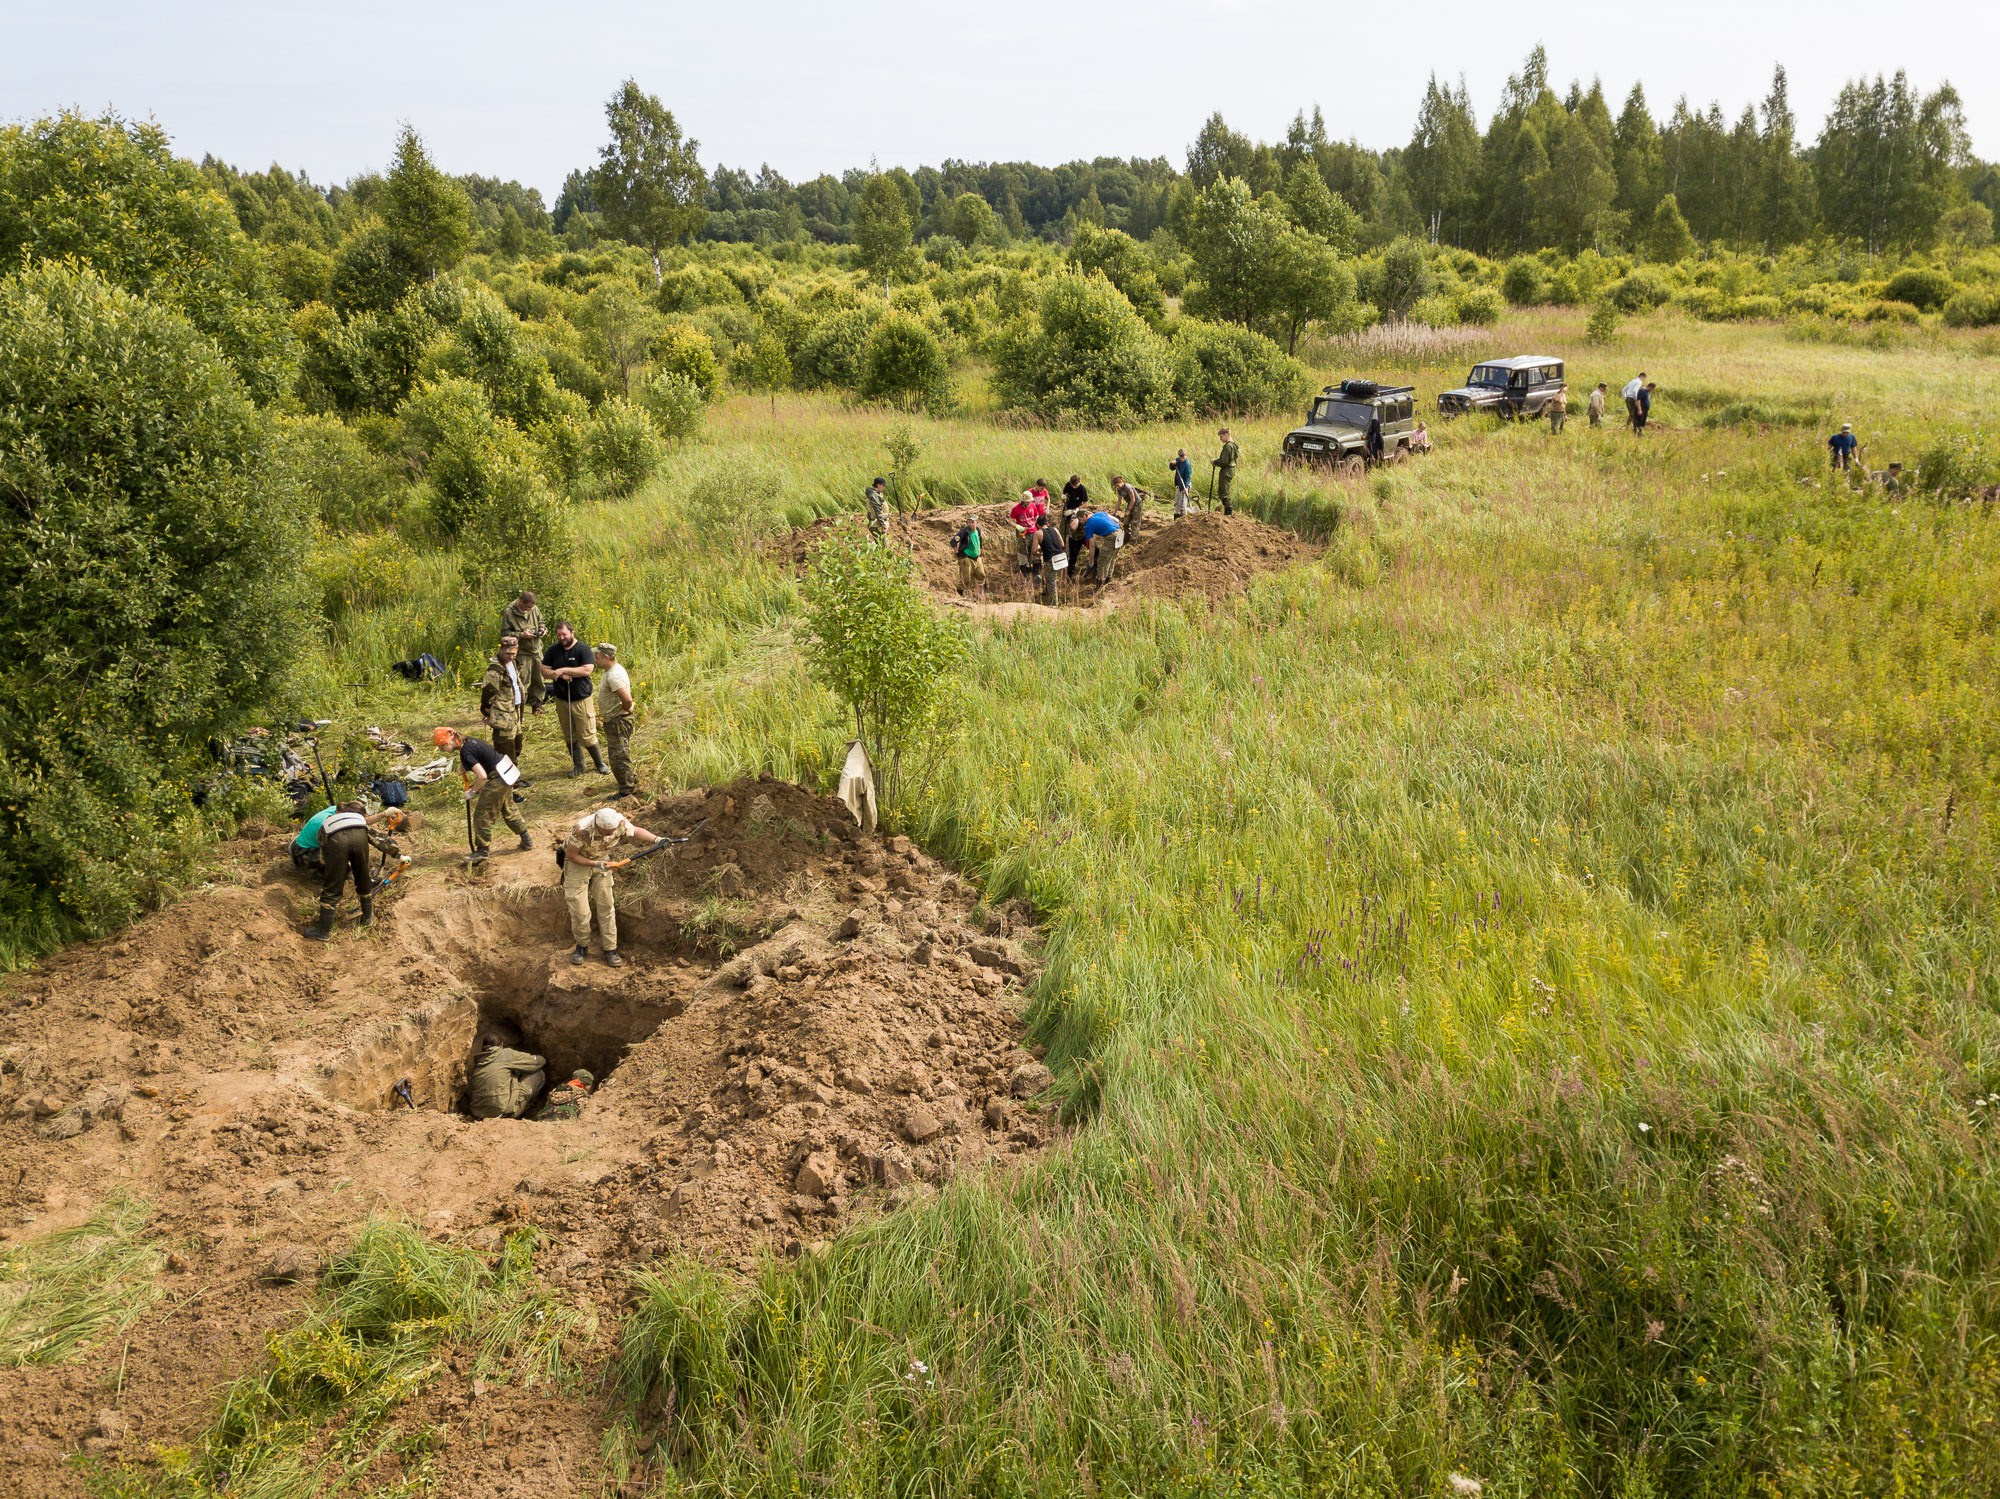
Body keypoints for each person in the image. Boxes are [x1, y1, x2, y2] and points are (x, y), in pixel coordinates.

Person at [561, 804, 662, 966]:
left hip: (602, 860)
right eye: (607, 833)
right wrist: (596, 864)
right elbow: (571, 855)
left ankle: (610, 949)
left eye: (613, 831)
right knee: (580, 910)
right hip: (578, 863)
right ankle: (582, 946)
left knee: (606, 906)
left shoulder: (618, 822)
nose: (612, 834)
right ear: (598, 826)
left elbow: (635, 831)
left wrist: (657, 839)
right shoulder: (581, 830)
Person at [301, 800, 404, 940]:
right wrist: (397, 853)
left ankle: (324, 932)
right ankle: (368, 918)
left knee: (333, 885)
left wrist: (334, 865)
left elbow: (323, 845)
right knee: (363, 877)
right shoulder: (359, 820)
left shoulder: (328, 820)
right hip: (359, 837)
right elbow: (378, 838)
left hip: (335, 841)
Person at [435, 726, 529, 860]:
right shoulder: (469, 741)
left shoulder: (465, 751)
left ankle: (482, 851)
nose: (442, 750)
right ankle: (526, 839)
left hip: (498, 778)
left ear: (449, 741)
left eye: (442, 747)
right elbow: (481, 756)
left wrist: (472, 791)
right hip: (507, 771)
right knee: (508, 808)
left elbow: (482, 776)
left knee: (482, 815)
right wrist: (464, 765)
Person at [541, 621, 604, 778]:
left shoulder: (583, 649)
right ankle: (579, 765)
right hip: (562, 699)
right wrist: (561, 675)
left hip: (581, 699)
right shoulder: (553, 650)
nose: (562, 637)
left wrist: (563, 669)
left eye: (564, 634)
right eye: (559, 635)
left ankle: (599, 763)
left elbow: (587, 669)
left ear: (572, 632)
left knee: (587, 733)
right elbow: (543, 670)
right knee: (569, 734)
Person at [480, 636, 530, 783]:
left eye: (514, 653)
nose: (511, 656)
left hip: (515, 711)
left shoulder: (514, 664)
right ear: (501, 650)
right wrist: (488, 713)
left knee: (516, 745)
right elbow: (488, 695)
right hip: (502, 714)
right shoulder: (495, 670)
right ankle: (508, 781)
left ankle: (515, 776)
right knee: (505, 748)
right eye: (508, 653)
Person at [594, 643, 638, 798]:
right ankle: (629, 779)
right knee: (621, 752)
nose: (596, 660)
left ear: (606, 657)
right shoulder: (614, 670)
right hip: (615, 719)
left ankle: (627, 789)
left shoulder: (613, 675)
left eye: (598, 657)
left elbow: (626, 699)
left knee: (618, 756)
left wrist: (625, 709)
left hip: (617, 720)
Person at [470, 1031, 546, 1120]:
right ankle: (529, 1111)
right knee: (538, 1073)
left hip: (479, 1115)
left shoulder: (478, 1063)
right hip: (503, 1114)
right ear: (501, 1045)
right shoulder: (506, 1054)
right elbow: (538, 1062)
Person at [500, 592, 548, 711]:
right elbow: (504, 634)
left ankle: (537, 704)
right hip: (521, 652)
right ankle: (519, 706)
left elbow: (541, 621)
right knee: (522, 680)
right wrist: (521, 635)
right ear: (520, 602)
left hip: (536, 649)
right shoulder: (509, 613)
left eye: (530, 608)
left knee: (539, 679)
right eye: (526, 607)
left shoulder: (534, 609)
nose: (528, 610)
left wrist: (542, 629)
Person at [1009, 487, 1047, 577]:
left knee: (1036, 550)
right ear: (1023, 501)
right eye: (1028, 501)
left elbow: (1036, 516)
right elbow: (1010, 521)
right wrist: (1017, 526)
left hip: (1033, 532)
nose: (1029, 503)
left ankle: (1036, 571)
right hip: (1023, 534)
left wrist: (1035, 524)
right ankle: (1024, 572)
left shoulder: (1033, 506)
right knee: (1023, 552)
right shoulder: (1016, 509)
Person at [1081, 508, 1123, 585]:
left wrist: (1091, 561)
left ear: (1084, 516)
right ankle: (1108, 581)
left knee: (1102, 561)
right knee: (1111, 558)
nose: (1080, 522)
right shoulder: (1100, 513)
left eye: (1080, 519)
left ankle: (1099, 585)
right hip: (1120, 534)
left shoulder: (1088, 525)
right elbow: (1117, 520)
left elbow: (1092, 545)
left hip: (1112, 536)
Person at [950, 518, 984, 594]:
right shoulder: (964, 532)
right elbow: (953, 541)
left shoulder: (978, 530)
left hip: (977, 558)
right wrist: (956, 552)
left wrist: (981, 549)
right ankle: (959, 595)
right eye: (969, 522)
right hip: (967, 558)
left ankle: (978, 594)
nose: (971, 524)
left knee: (981, 575)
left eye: (973, 522)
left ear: (976, 522)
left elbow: (979, 540)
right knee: (965, 579)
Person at [1038, 517, 1066, 606]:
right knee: (1052, 578)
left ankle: (1054, 604)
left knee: (1051, 582)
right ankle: (1050, 594)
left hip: (1051, 560)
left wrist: (1041, 551)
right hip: (1062, 557)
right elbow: (1062, 544)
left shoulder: (1038, 533)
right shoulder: (1055, 529)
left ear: (1038, 525)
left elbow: (1034, 550)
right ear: (1047, 523)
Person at [1213, 429, 1239, 515]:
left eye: (1221, 436)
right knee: (1223, 491)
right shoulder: (1234, 445)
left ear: (1227, 434)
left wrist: (1215, 462)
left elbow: (1224, 461)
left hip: (1227, 470)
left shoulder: (1228, 446)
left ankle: (1228, 514)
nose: (1220, 439)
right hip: (1230, 469)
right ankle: (1227, 512)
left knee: (1224, 492)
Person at [1169, 449, 1193, 517]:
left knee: (1183, 503)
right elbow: (1172, 468)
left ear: (1186, 455)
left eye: (1183, 457)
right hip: (1179, 484)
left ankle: (1183, 517)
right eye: (1180, 457)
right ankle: (1176, 515)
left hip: (1185, 484)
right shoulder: (1178, 460)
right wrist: (1172, 464)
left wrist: (1187, 487)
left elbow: (1187, 477)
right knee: (1177, 502)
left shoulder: (1187, 464)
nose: (1182, 459)